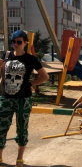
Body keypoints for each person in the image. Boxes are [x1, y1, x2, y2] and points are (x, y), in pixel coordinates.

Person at [0, 30, 49, 167]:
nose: (16, 44)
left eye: (19, 42)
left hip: (23, 100)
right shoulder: (7, 55)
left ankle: (19, 159)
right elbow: (3, 76)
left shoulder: (31, 59)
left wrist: (30, 84)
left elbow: (44, 76)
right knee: (1, 128)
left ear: (25, 43)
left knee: (22, 129)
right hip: (6, 98)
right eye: (13, 42)